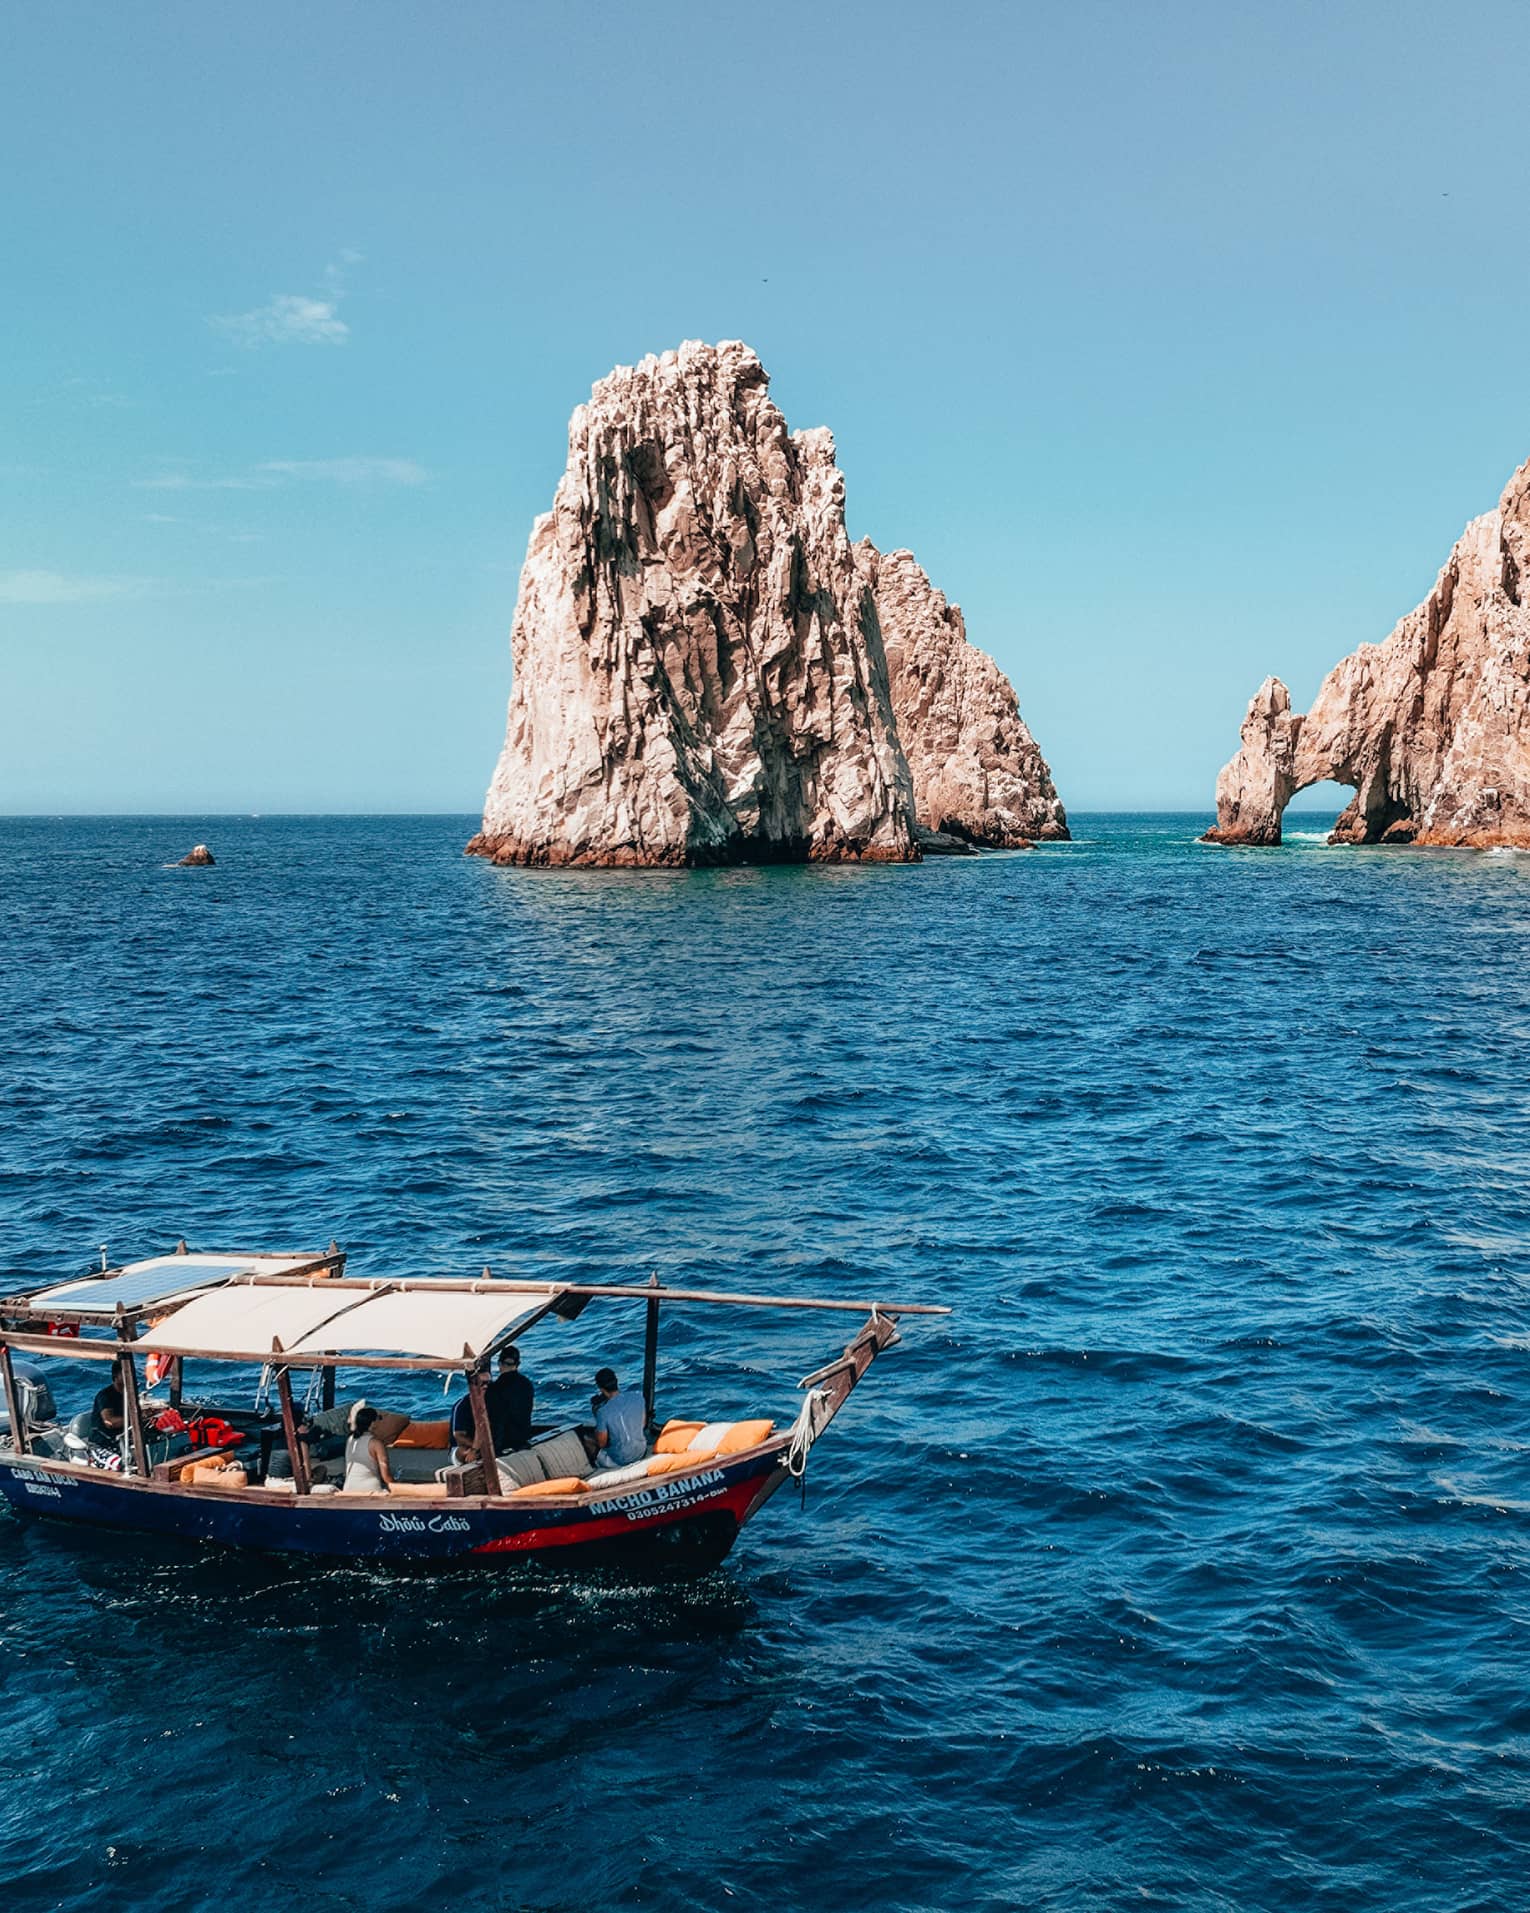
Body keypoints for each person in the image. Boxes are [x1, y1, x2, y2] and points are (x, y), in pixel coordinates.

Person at [592, 1368, 647, 1469]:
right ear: (616, 1381)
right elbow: (642, 1424)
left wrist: (596, 1413)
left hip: (621, 1460)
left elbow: (602, 1443)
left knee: (590, 1443)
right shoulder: (638, 1397)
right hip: (641, 1451)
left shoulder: (602, 1411)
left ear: (601, 1389)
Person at [485, 1346, 533, 1453]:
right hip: (523, 1439)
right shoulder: (527, 1384)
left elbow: (492, 1419)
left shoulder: (494, 1388)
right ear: (518, 1364)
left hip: (502, 1444)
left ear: (499, 1363)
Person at [342, 1405, 393, 1494]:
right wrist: (397, 1487)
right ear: (373, 1423)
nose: (381, 1422)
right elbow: (386, 1476)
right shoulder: (376, 1444)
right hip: (370, 1489)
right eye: (379, 1419)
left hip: (348, 1488)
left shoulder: (350, 1440)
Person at [87, 1368, 126, 1451]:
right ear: (115, 1377)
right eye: (125, 1373)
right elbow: (110, 1422)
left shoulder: (129, 1393)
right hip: (101, 1443)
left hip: (121, 1439)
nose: (129, 1375)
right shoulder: (105, 1396)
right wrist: (136, 1418)